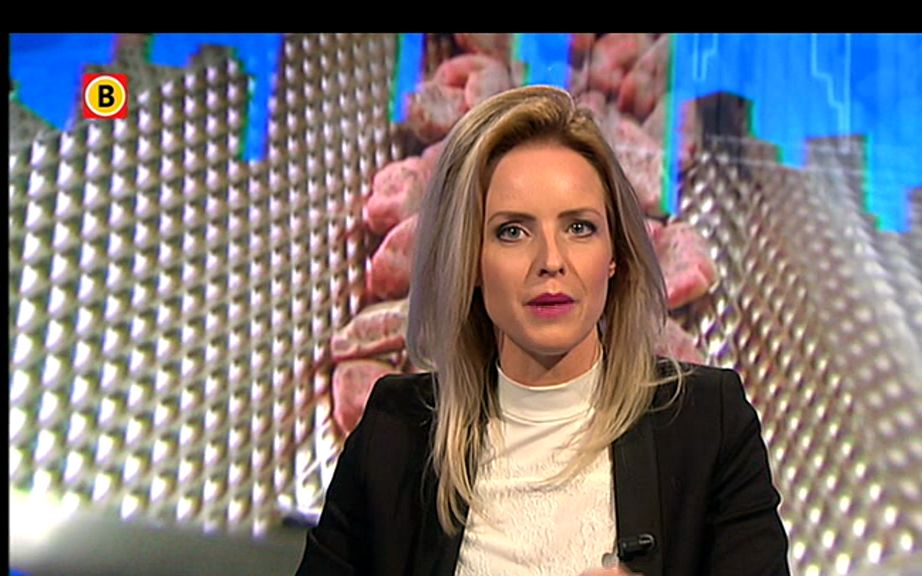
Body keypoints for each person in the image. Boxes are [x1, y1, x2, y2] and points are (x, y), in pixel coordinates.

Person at [297, 85, 789, 576]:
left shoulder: (707, 424)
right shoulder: (396, 431)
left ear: (614, 254)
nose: (551, 261)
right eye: (512, 231)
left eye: (579, 228)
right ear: (470, 260)